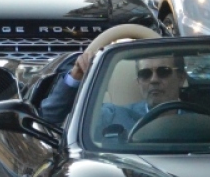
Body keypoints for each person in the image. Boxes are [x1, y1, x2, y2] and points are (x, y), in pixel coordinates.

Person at [41, 48, 187, 130]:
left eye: (163, 71)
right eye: (145, 74)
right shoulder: (112, 116)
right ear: (138, 82)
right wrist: (76, 76)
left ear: (181, 78)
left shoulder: (203, 121)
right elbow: (48, 120)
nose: (154, 80)